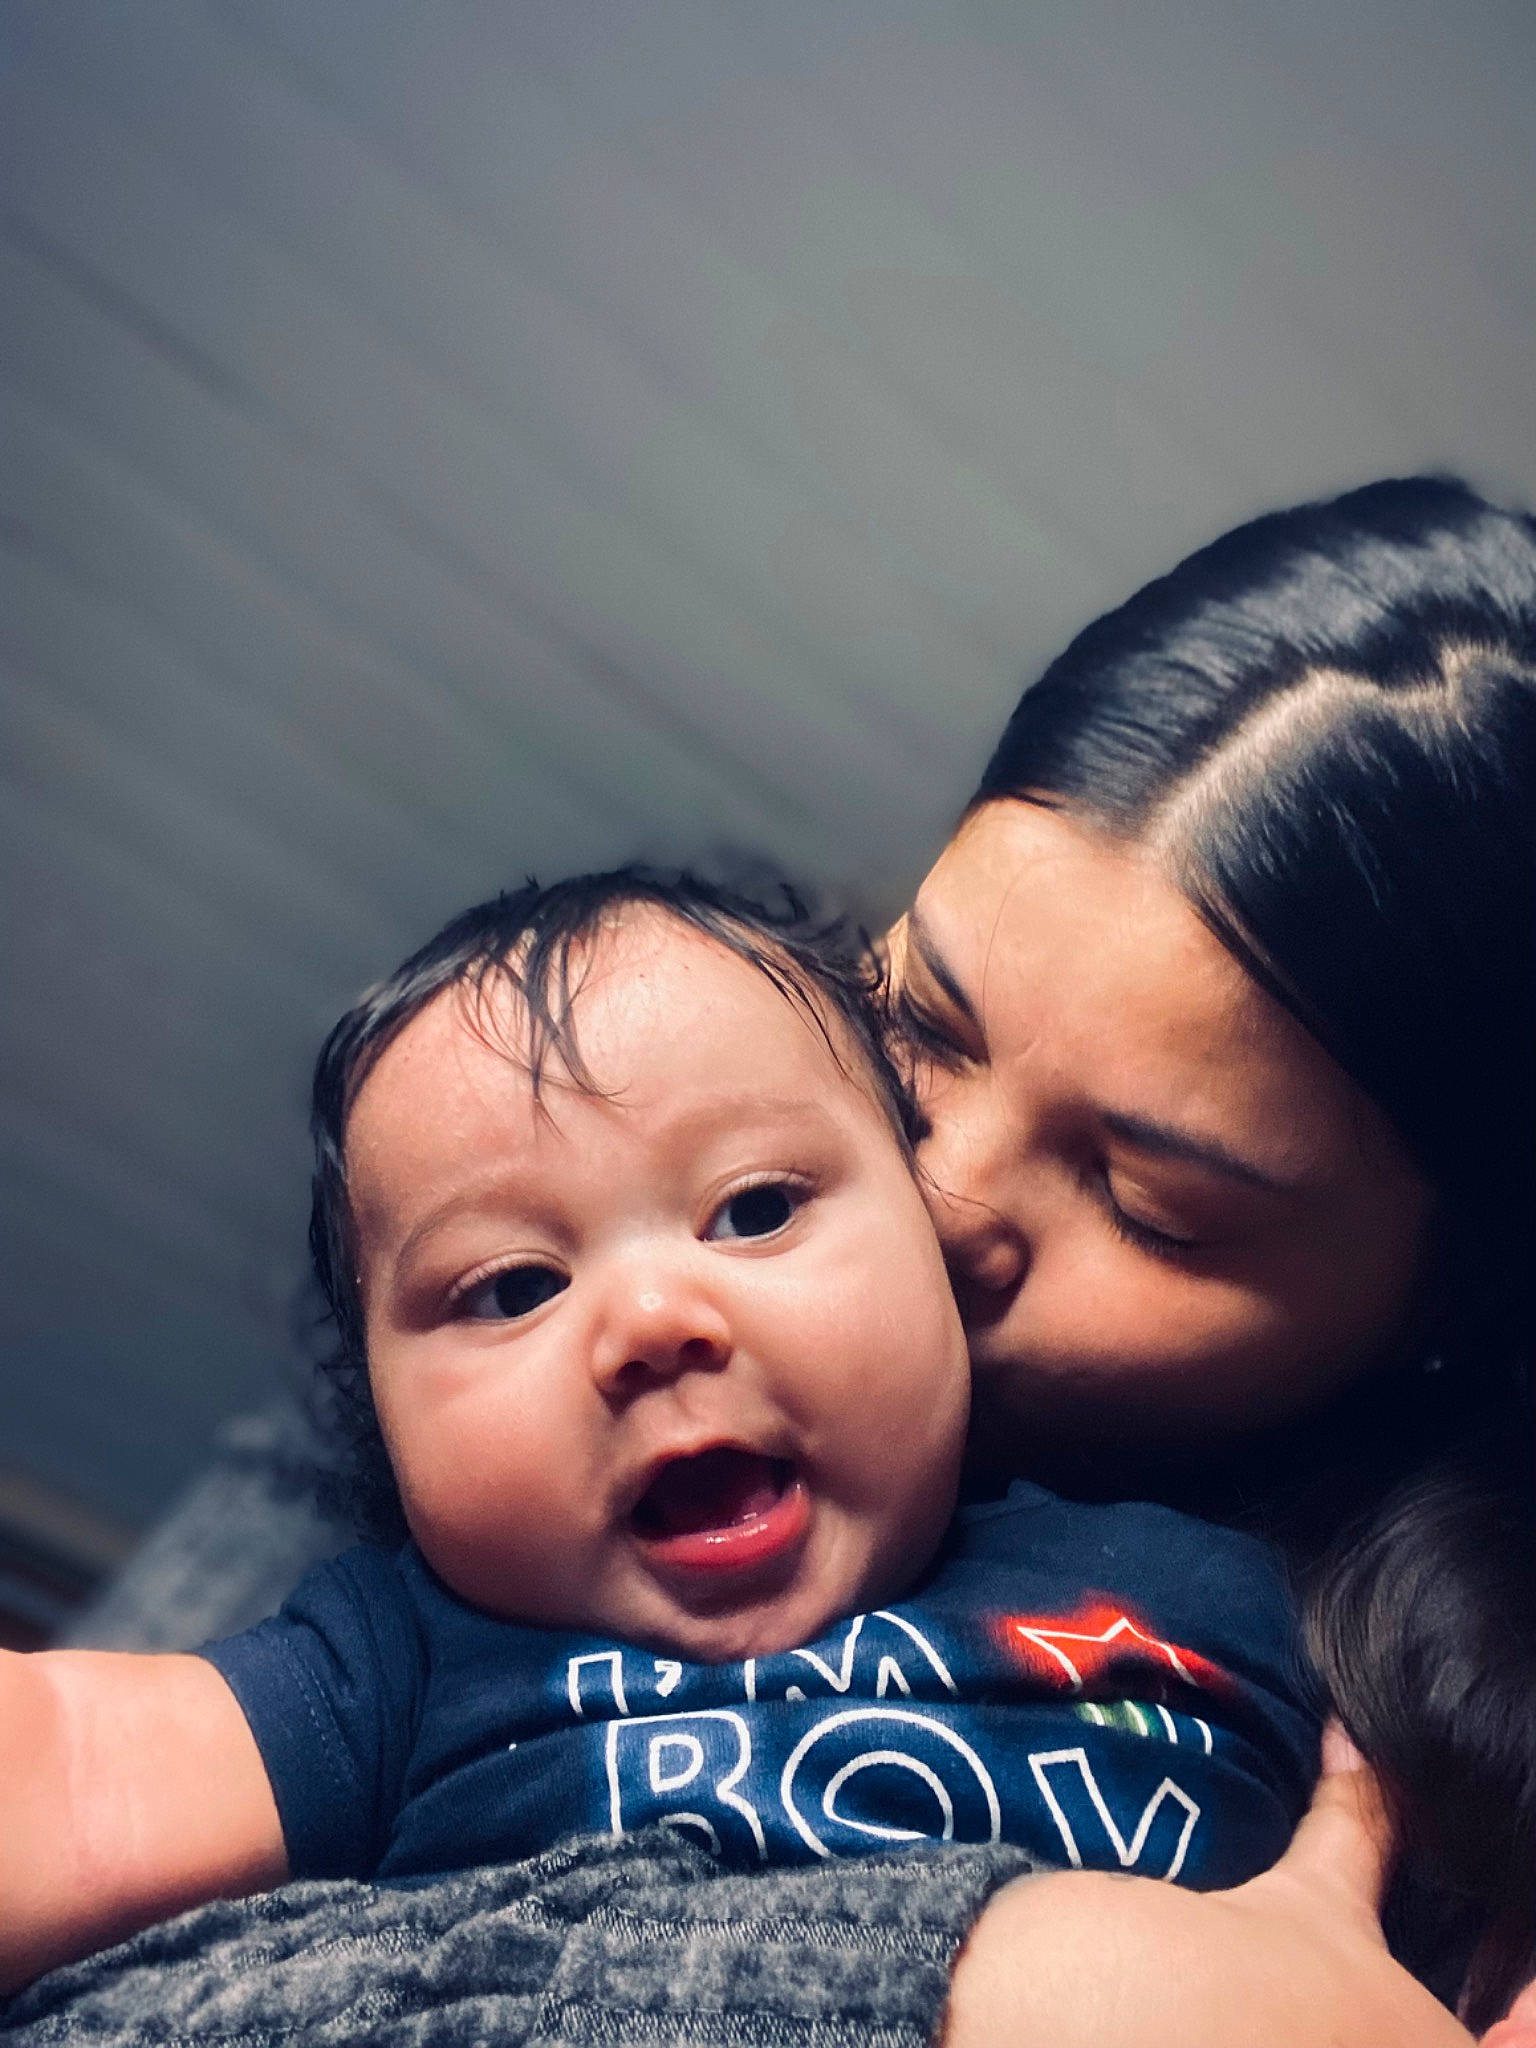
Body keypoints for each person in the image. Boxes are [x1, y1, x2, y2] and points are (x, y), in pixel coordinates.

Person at [4, 475, 1524, 2047]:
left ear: (1446, 1315)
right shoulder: (476, 1471)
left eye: (1152, 1204)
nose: (939, 1201)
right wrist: (1003, 1985)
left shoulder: (1397, 1707)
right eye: (923, 1028)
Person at [0, 868, 1319, 1997]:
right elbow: (72, 1771)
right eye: (513, 1287)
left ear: (934, 1233)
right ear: (382, 1429)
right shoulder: (398, 1667)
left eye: (751, 1211)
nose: (649, 1321)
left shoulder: (1198, 1580)